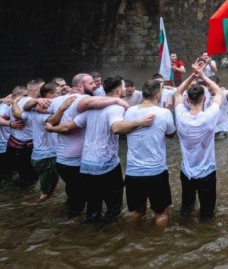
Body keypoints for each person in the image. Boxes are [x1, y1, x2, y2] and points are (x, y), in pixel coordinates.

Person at [49, 76, 153, 221]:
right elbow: (116, 128)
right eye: (123, 87)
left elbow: (67, 127)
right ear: (118, 90)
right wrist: (139, 122)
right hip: (107, 163)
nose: (124, 89)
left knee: (93, 204)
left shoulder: (90, 110)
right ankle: (110, 236)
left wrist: (51, 128)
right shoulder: (116, 108)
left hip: (86, 164)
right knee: (114, 206)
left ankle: (91, 235)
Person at [123, 79, 177, 227]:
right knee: (161, 213)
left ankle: (133, 241)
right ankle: (159, 244)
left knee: (138, 212)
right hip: (156, 171)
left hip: (133, 172)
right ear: (158, 96)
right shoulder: (164, 113)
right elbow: (171, 134)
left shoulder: (130, 111)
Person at [174, 63, 223, 219]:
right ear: (204, 98)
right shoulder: (209, 117)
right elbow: (219, 92)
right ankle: (205, 236)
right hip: (206, 172)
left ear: (187, 99)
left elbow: (177, 92)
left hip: (187, 172)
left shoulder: (180, 115)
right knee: (207, 213)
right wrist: (202, 75)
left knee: (186, 209)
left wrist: (192, 76)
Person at [22, 81, 60, 200]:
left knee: (52, 184)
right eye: (58, 93)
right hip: (46, 157)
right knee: (46, 193)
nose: (60, 96)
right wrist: (63, 108)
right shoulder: (43, 110)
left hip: (38, 155)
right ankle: (34, 209)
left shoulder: (32, 111)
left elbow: (19, 113)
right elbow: (54, 121)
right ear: (49, 96)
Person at [6, 78, 45, 185]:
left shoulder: (15, 102)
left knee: (24, 179)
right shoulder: (31, 103)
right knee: (35, 180)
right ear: (35, 90)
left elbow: (2, 117)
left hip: (13, 146)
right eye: (44, 87)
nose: (47, 89)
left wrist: (10, 124)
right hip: (26, 148)